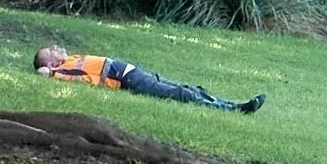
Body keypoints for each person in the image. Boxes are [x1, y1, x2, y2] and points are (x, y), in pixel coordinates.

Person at [34, 44, 266, 114]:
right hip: (129, 81)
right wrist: (48, 71)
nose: (56, 47)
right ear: (52, 63)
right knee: (181, 95)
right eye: (51, 51)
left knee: (187, 89)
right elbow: (44, 73)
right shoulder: (63, 71)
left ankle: (231, 105)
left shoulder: (71, 59)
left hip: (134, 72)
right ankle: (235, 110)